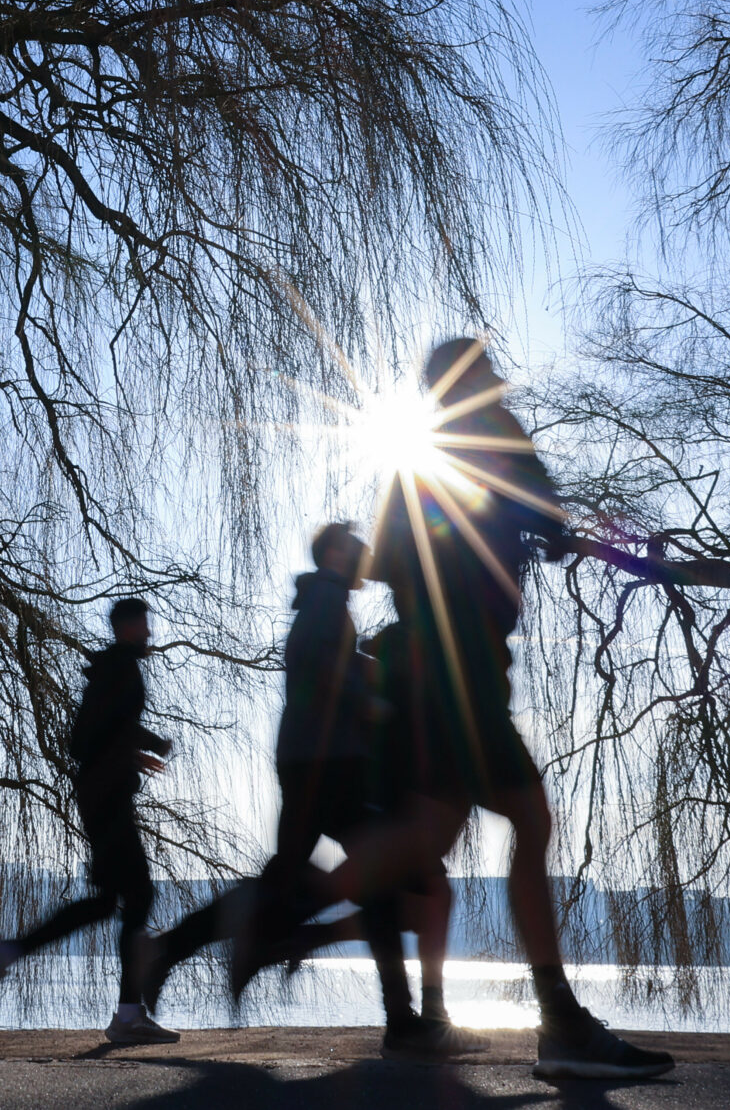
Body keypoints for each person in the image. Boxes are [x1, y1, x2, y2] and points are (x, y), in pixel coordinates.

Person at [239, 338, 675, 1080]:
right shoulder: (495, 435)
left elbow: (393, 559)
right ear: (469, 381)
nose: (496, 381)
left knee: (428, 831)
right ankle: (560, 1018)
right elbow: (547, 519)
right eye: (484, 372)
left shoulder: (416, 464)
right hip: (461, 669)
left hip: (434, 668)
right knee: (528, 817)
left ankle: (279, 913)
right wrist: (569, 535)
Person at [138, 524, 474, 1057]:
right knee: (368, 880)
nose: (367, 557)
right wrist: (370, 698)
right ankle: (397, 1019)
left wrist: (363, 668)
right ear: (338, 553)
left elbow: (322, 662)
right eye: (359, 548)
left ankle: (176, 949)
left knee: (301, 879)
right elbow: (320, 665)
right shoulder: (324, 600)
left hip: (314, 760)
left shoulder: (325, 602)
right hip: (328, 762)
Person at [0, 596, 178, 1045]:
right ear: (128, 627)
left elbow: (90, 734)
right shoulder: (121, 668)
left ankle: (16, 953)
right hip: (106, 796)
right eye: (144, 625)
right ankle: (127, 1015)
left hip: (100, 792)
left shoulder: (111, 668)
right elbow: (93, 731)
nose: (149, 633)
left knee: (111, 900)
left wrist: (132, 752)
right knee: (139, 895)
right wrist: (148, 742)